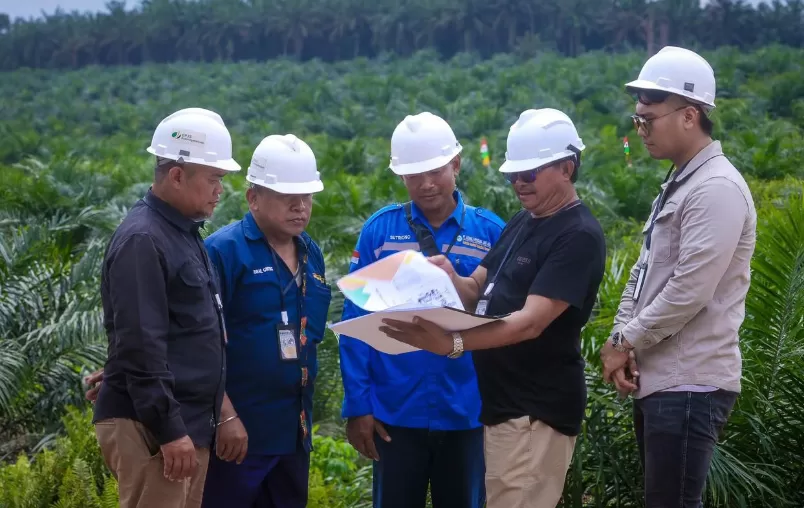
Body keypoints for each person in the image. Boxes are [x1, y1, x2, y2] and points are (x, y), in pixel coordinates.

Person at [380, 108, 606, 508]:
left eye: (530, 174)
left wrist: (450, 343)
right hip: (504, 410)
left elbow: (529, 323)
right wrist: (447, 273)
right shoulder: (524, 221)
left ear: (567, 168)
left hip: (535, 413)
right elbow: (475, 292)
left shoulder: (577, 234)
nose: (519, 183)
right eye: (513, 175)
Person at [598, 46, 757, 507]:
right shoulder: (680, 182)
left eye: (649, 119)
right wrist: (622, 337)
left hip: (691, 382)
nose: (641, 129)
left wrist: (626, 342)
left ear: (690, 116)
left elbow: (689, 289)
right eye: (638, 120)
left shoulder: (717, 189)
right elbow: (643, 272)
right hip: (663, 378)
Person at [338, 111, 505, 508]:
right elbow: (355, 319)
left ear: (456, 165)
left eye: (436, 171)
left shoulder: (490, 232)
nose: (427, 184)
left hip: (467, 408)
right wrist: (359, 406)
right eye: (414, 175)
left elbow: (507, 322)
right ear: (401, 177)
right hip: (395, 412)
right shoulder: (380, 232)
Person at [92, 107, 241, 508]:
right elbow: (141, 345)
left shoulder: (182, 233)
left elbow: (177, 334)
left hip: (185, 425)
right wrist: (170, 431)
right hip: (155, 430)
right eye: (213, 179)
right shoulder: (144, 240)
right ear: (177, 175)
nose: (219, 190)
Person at [200, 134, 332, 508]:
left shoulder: (311, 253)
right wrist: (226, 417)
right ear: (253, 198)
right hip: (239, 436)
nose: (300, 206)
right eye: (287, 197)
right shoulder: (224, 252)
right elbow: (203, 344)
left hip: (293, 434)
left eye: (306, 196)